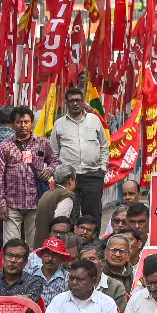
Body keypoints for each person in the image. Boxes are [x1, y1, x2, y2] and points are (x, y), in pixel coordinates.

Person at [0, 106, 58, 249]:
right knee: (11, 246)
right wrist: (1, 203)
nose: (23, 125)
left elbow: (54, 161)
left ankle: (31, 271)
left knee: (34, 247)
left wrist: (49, 170)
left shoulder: (43, 143)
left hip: (36, 203)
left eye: (26, 122)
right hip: (12, 204)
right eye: (19, 122)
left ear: (32, 123)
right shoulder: (5, 146)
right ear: (13, 124)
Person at [52, 87, 110, 222]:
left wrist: (103, 167)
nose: (75, 104)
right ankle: (71, 242)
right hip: (69, 178)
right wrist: (57, 173)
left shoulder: (94, 120)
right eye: (71, 101)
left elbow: (103, 145)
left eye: (78, 100)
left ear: (83, 101)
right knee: (70, 213)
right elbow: (54, 151)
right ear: (66, 103)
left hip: (93, 175)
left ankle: (94, 242)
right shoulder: (59, 124)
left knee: (93, 214)